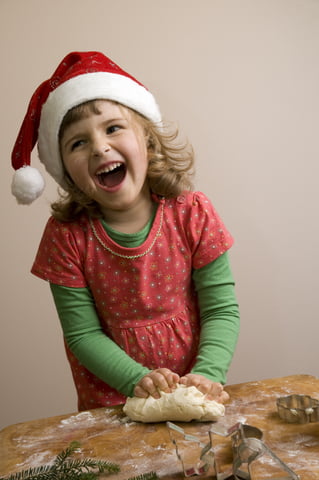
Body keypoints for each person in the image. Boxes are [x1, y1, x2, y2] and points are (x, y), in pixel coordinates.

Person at [11, 51, 240, 411]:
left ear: (147, 141)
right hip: (111, 401)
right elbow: (82, 334)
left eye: (113, 128)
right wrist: (136, 380)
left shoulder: (192, 213)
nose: (100, 147)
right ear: (66, 172)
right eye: (77, 142)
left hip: (195, 388)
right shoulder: (66, 237)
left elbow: (221, 310)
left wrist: (208, 373)